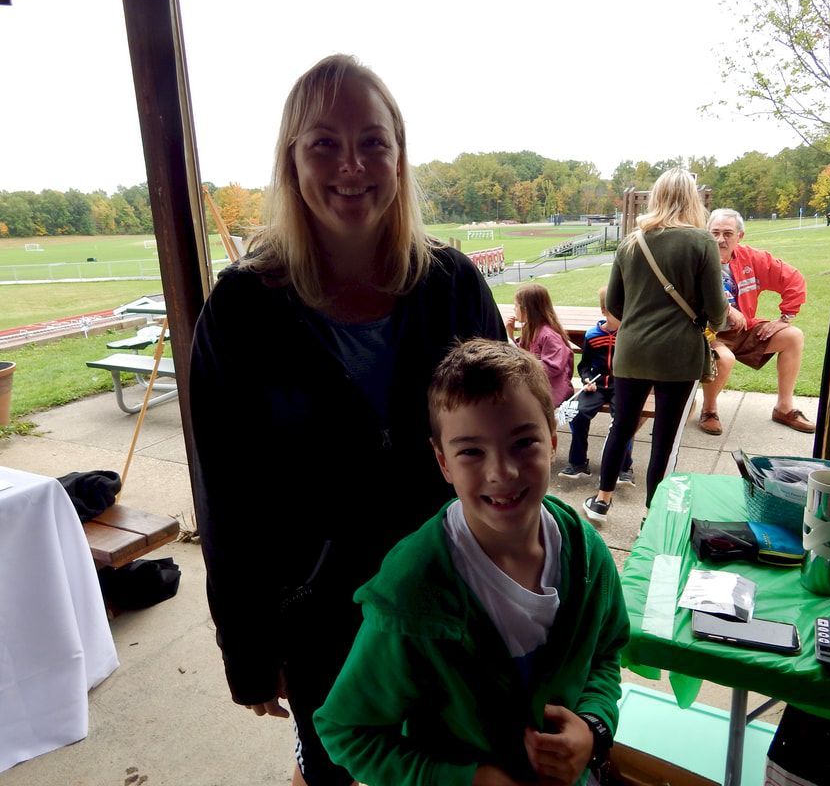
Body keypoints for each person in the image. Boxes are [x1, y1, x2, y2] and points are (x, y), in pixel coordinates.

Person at [189, 54, 505, 786]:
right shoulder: (241, 310)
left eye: (372, 141)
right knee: (335, 767)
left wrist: (525, 583)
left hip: (447, 602)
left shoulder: (452, 285)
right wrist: (246, 644)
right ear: (292, 161)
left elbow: (506, 449)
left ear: (399, 156)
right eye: (323, 143)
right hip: (318, 618)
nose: (351, 164)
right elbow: (226, 493)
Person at [314, 339, 629, 786]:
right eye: (471, 452)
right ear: (443, 462)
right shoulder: (411, 595)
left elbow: (605, 651)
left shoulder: (586, 554)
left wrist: (593, 727)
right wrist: (469, 780)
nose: (502, 472)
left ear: (553, 441)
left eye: (523, 442)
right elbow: (347, 732)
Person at [583, 169, 727, 521]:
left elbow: (614, 304)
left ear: (656, 197)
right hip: (679, 354)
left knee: (622, 424)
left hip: (632, 351)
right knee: (666, 434)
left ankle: (602, 498)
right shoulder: (702, 241)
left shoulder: (632, 241)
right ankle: (654, 510)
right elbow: (716, 307)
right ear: (692, 198)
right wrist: (712, 324)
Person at [698, 208, 815, 436]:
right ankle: (709, 410)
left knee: (793, 336)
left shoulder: (752, 259)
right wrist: (727, 308)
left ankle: (784, 408)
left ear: (739, 236)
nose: (721, 239)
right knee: (725, 359)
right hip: (708, 333)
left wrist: (785, 318)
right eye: (715, 233)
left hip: (743, 329)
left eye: (728, 233)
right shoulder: (698, 260)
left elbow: (793, 279)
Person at [559, 287, 634, 487]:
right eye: (616, 312)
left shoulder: (629, 335)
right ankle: (578, 463)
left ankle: (624, 468)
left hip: (622, 385)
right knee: (579, 413)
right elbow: (584, 366)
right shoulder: (592, 335)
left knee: (624, 419)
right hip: (597, 386)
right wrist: (586, 379)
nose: (622, 316)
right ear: (603, 311)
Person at [505, 283, 574, 407]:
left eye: (515, 305)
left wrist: (526, 362)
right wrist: (510, 336)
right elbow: (519, 355)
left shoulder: (549, 335)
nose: (513, 309)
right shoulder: (530, 329)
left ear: (526, 309)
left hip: (551, 392)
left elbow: (552, 368)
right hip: (537, 389)